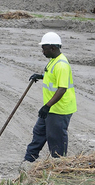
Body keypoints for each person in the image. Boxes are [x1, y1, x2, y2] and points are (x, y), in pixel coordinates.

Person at [22, 32, 76, 168]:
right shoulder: (54, 60)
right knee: (39, 132)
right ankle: (29, 160)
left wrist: (47, 106)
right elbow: (52, 77)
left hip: (59, 109)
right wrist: (41, 76)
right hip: (51, 108)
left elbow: (62, 88)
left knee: (56, 138)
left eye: (44, 48)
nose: (42, 51)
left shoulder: (62, 64)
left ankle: (59, 165)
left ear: (52, 48)